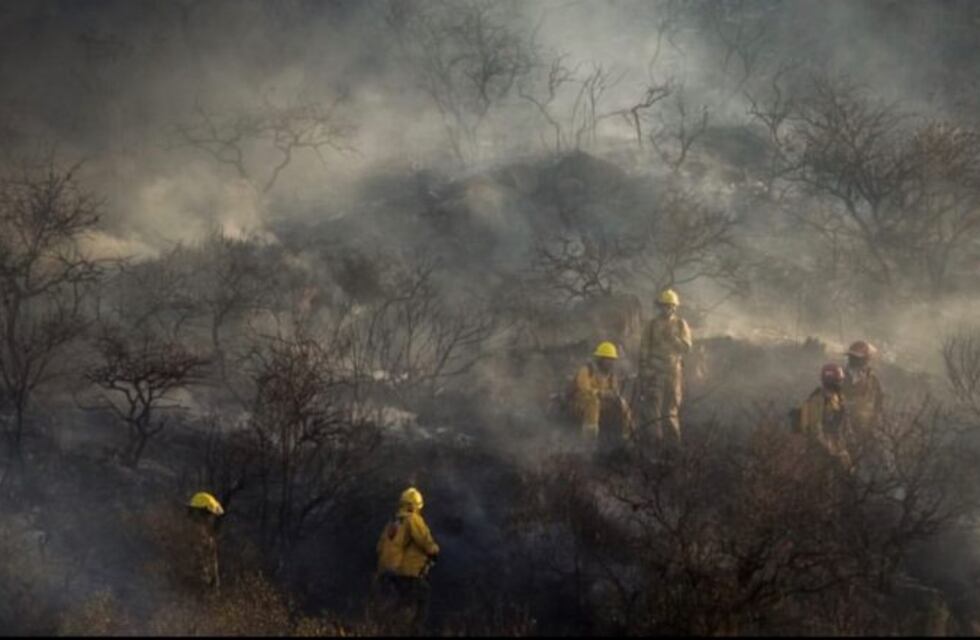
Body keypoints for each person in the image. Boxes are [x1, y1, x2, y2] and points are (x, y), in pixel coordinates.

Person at [375, 487, 440, 632]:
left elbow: (380, 547)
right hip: (405, 572)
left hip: (386, 571)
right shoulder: (413, 519)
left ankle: (386, 627)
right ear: (415, 505)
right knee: (423, 597)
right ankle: (414, 630)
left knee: (400, 602)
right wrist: (435, 551)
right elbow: (424, 540)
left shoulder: (393, 522)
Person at [637, 289, 692, 447]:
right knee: (653, 409)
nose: (666, 309)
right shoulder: (652, 325)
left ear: (675, 307)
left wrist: (674, 339)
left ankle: (674, 445)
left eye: (670, 306)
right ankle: (655, 444)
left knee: (671, 411)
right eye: (663, 306)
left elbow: (687, 348)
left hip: (674, 372)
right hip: (655, 372)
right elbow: (644, 350)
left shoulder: (681, 324)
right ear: (659, 306)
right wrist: (644, 370)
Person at [570, 341, 633, 450]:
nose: (610, 363)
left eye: (612, 360)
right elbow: (584, 389)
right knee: (593, 401)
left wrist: (616, 398)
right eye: (607, 359)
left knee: (621, 402)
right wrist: (602, 393)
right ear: (600, 359)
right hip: (580, 404)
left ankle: (626, 437)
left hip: (600, 405)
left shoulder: (610, 375)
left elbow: (614, 392)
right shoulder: (587, 370)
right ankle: (590, 442)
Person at [798, 363, 851, 468]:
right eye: (838, 381)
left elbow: (843, 421)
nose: (840, 383)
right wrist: (828, 450)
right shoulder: (818, 399)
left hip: (837, 443)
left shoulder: (838, 398)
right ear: (831, 382)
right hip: (821, 449)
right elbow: (815, 428)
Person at [841, 340, 884, 434]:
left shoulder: (872, 379)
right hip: (842, 423)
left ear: (866, 359)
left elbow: (879, 403)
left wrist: (873, 421)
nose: (853, 360)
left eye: (857, 358)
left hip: (864, 425)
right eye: (852, 357)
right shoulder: (840, 376)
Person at [186, 491, 224, 593]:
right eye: (212, 516)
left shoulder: (184, 533)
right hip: (194, 596)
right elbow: (204, 572)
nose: (213, 520)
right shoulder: (201, 539)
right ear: (205, 515)